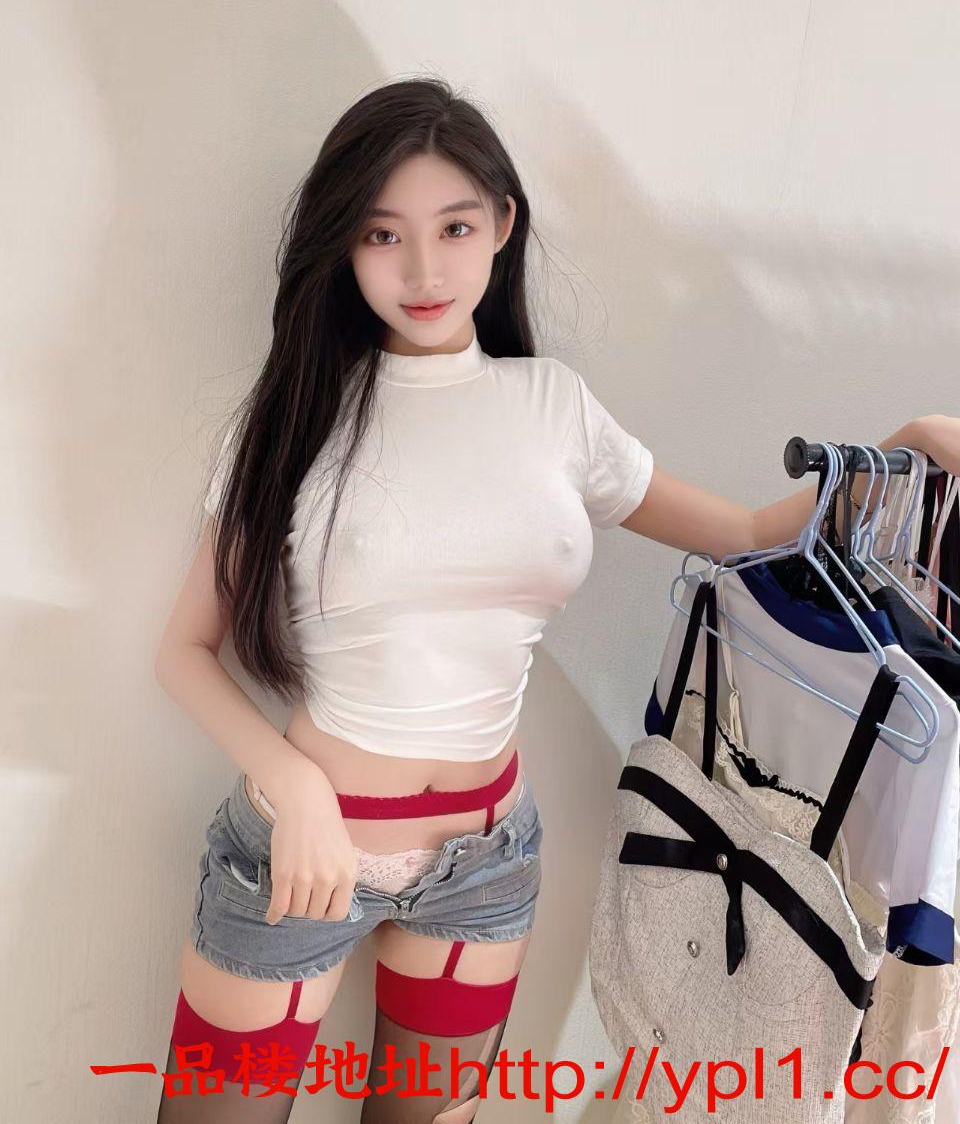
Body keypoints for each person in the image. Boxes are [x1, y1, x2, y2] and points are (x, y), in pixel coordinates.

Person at [153, 75, 957, 1122]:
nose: (425, 269)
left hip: (484, 867)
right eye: (384, 235)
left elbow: (749, 534)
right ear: (345, 246)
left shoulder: (553, 410)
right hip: (303, 853)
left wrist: (904, 444)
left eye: (454, 227)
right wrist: (292, 783)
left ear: (503, 224)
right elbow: (184, 648)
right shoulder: (293, 419)